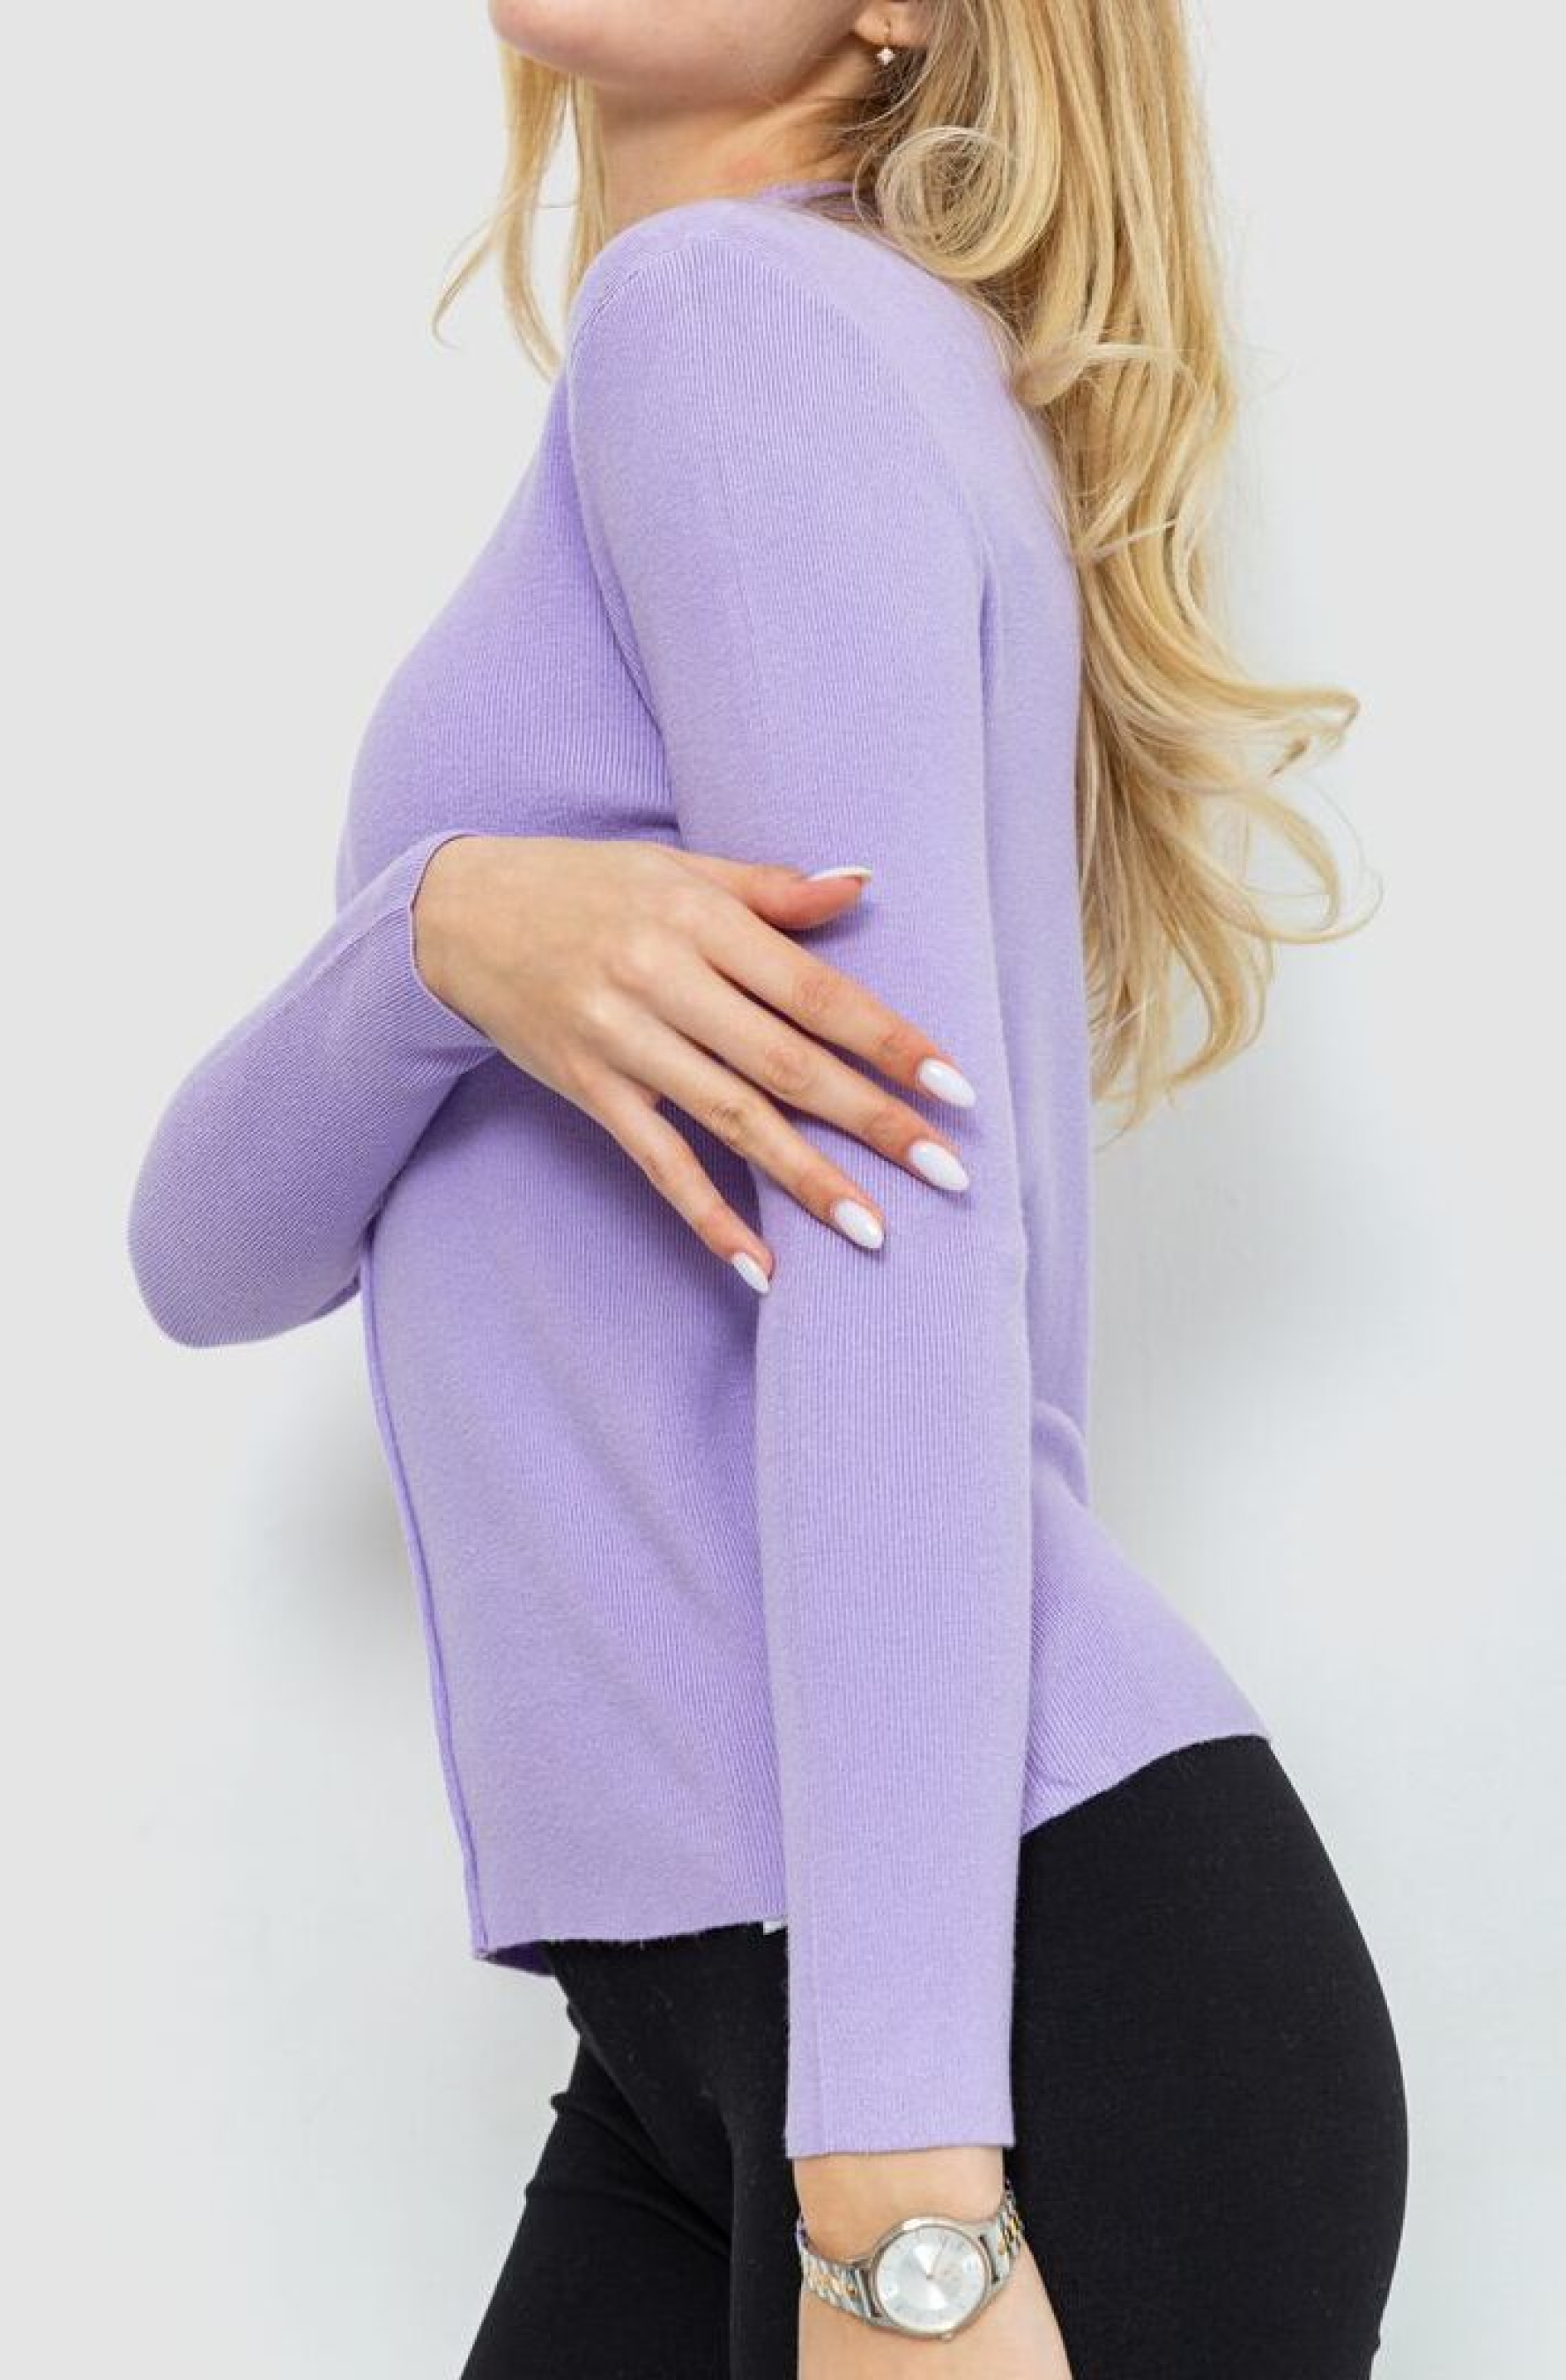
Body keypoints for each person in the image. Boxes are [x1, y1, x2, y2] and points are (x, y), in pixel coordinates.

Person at [128, 5, 1408, 2373]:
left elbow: (899, 1243)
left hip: (965, 2042)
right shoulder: (815, 352)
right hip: (708, 2029)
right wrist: (442, 935)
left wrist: (903, 2192)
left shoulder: (724, 319)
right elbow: (206, 1253)